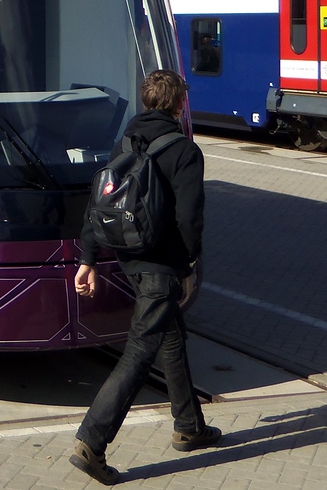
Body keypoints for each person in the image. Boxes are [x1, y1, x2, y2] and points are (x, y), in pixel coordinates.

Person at [70, 69, 220, 485]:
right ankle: (91, 443)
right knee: (139, 353)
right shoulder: (184, 151)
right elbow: (190, 218)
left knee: (170, 333)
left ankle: (189, 425)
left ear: (147, 100)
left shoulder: (125, 140)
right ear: (179, 104)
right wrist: (189, 263)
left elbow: (98, 201)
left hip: (128, 257)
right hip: (160, 264)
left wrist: (88, 258)